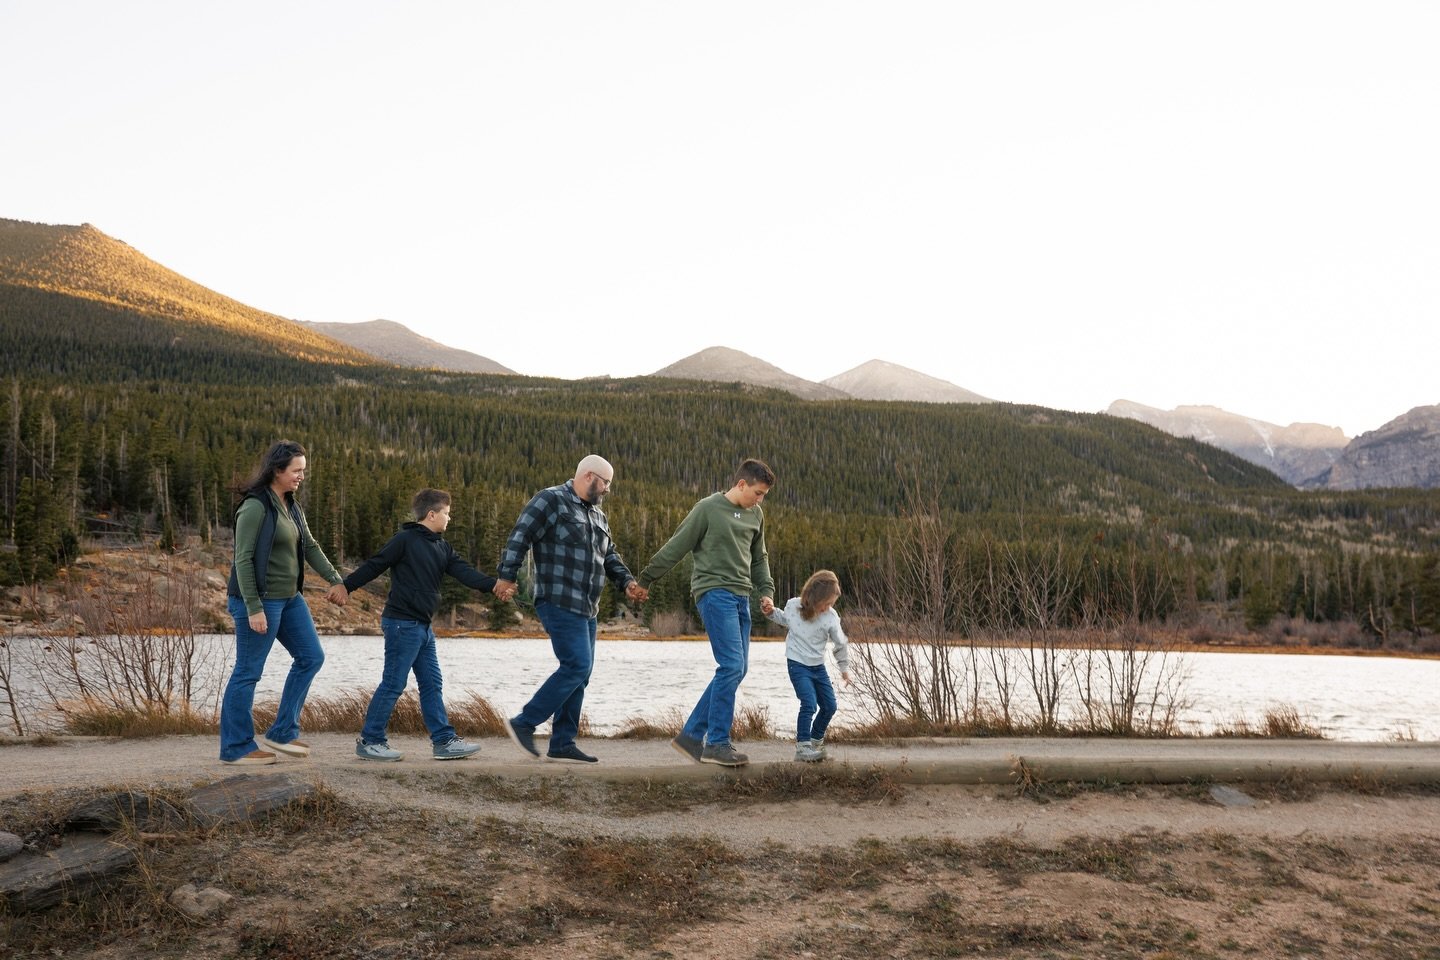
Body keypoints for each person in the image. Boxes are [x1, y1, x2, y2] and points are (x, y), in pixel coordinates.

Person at [493, 454, 646, 763]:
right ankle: (524, 723)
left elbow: (609, 555)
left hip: (588, 607)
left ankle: (562, 742)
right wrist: (507, 576)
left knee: (582, 673)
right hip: (558, 598)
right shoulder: (550, 500)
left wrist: (627, 582)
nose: (607, 490)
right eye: (606, 484)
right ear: (589, 477)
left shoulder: (598, 516)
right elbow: (520, 535)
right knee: (576, 665)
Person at [342, 489, 498, 762]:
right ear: (432, 514)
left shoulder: (441, 547)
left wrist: (496, 585)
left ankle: (444, 741)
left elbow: (465, 574)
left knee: (432, 684)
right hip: (402, 623)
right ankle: (370, 741)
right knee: (393, 683)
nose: (449, 519)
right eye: (447, 514)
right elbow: (375, 565)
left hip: (423, 628)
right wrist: (345, 588)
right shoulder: (404, 540)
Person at [638, 458, 776, 767]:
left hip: (742, 597)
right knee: (730, 666)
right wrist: (647, 578)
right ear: (741, 484)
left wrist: (766, 590)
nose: (760, 499)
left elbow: (759, 557)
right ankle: (716, 743)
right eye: (757, 492)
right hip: (714, 593)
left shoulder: (756, 515)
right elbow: (678, 544)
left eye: (763, 495)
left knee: (737, 669)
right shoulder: (708, 509)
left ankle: (690, 736)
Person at [221, 440, 348, 765]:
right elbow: (244, 560)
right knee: (248, 672)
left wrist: (336, 580)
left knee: (311, 657)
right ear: (277, 470)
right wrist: (253, 607)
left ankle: (282, 732)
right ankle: (236, 748)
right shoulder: (254, 507)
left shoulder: (291, 505)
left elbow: (311, 546)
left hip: (289, 600)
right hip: (259, 601)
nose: (301, 476)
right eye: (297, 471)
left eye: (303, 471)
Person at [766, 569, 850, 762]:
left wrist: (844, 668)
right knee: (809, 703)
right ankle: (803, 747)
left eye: (832, 604)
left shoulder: (831, 617)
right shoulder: (794, 606)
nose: (828, 607)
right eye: (826, 603)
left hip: (818, 667)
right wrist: (771, 612)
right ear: (815, 597)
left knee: (829, 706)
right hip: (797, 664)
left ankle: (815, 743)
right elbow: (783, 619)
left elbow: (840, 643)